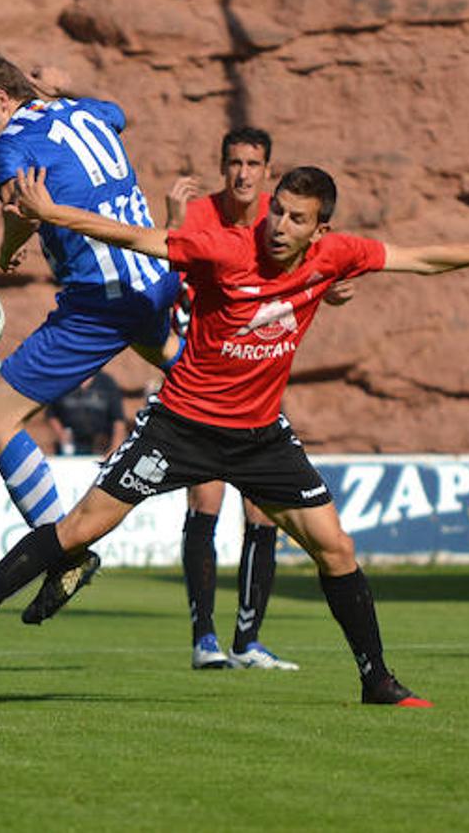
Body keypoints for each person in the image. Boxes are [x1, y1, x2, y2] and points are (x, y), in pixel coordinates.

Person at [0, 164, 469, 706]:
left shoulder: (338, 257)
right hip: (179, 427)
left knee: (335, 548)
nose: (279, 225)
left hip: (259, 437)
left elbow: (421, 259)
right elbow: (134, 238)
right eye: (277, 211)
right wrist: (53, 212)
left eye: (295, 218)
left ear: (321, 229)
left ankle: (377, 680)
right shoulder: (226, 248)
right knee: (82, 528)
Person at [0, 55, 181, 618]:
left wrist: (6, 249)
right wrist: (67, 88)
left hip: (100, 304)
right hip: (155, 280)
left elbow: (22, 209)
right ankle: (261, 418)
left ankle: (66, 551)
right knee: (189, 371)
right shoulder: (84, 110)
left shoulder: (8, 145)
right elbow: (119, 112)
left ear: (2, 100)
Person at [161, 127, 313, 671]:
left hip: (257, 385)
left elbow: (316, 266)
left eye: (253, 163)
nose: (243, 173)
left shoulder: (283, 215)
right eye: (234, 162)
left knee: (263, 511)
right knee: (206, 500)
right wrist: (174, 229)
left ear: (268, 171)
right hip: (205, 383)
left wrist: (339, 287)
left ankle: (247, 642)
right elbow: (167, 280)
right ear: (222, 166)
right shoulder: (199, 215)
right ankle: (204, 639)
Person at [46, 371, 126, 456]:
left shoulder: (106, 382)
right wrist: (61, 433)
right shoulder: (64, 381)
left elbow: (118, 420)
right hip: (70, 447)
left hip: (100, 447)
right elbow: (51, 413)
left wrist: (114, 450)